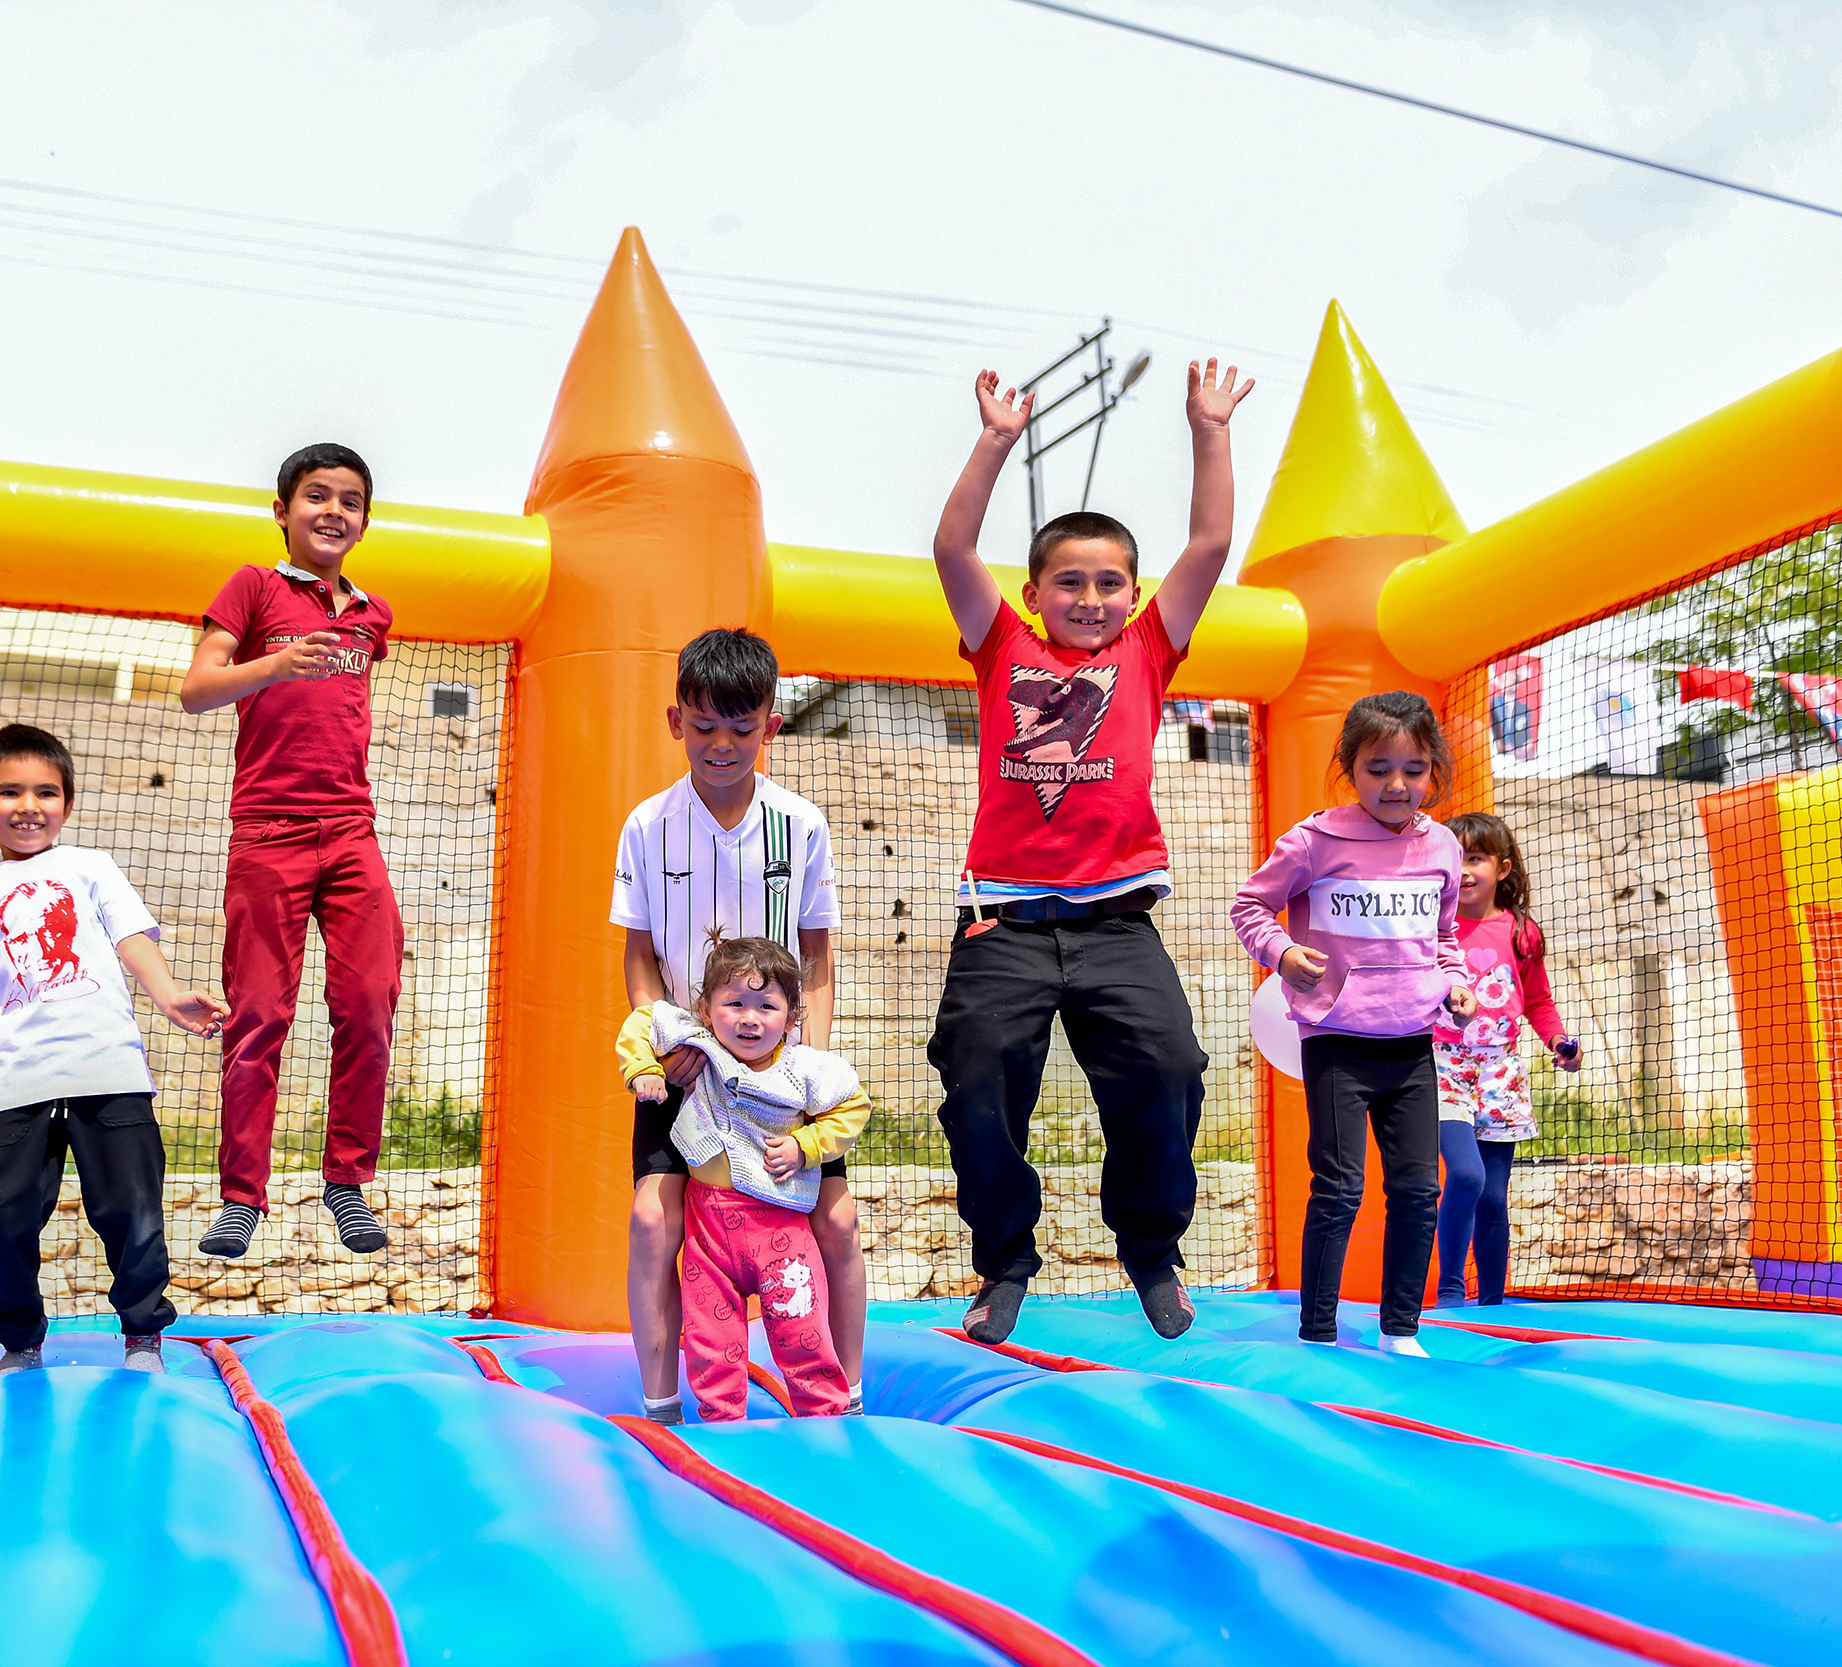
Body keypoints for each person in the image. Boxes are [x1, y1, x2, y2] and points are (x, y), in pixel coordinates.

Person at [927, 358, 1254, 1347]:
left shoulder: (1146, 652)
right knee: (975, 1076)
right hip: (1004, 922)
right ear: (1033, 592)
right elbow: (949, 543)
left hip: (1117, 923)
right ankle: (1004, 1261)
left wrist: (1209, 428)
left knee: (1171, 1067)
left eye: (1109, 581)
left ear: (1131, 594)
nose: (1090, 595)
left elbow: (1209, 542)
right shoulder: (1002, 649)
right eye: (1068, 581)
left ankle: (1150, 1248)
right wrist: (994, 440)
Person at [610, 627, 863, 1422]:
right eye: (704, 724)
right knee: (654, 1215)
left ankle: (847, 1395)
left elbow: (816, 956)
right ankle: (660, 1406)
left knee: (838, 1215)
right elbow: (640, 955)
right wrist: (670, 1040)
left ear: (771, 727)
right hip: (689, 1071)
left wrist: (806, 1067)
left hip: (780, 1071)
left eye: (742, 727)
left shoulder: (802, 824)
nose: (722, 744)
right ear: (674, 720)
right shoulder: (648, 826)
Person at [0, 724, 230, 1376]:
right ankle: (19, 1345)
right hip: (18, 1085)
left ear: (66, 801)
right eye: (9, 791)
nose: (28, 804)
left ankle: (143, 1339)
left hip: (107, 1070)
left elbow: (131, 939)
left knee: (130, 1211)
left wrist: (171, 996)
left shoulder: (89, 867)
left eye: (46, 791)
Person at [179, 443, 401, 1260]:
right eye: (316, 496)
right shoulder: (254, 587)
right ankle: (243, 1194)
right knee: (261, 1014)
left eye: (350, 500)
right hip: (268, 832)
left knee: (371, 1000)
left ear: (366, 520)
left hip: (349, 831)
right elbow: (196, 690)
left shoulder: (372, 615)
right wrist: (275, 661)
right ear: (282, 510)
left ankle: (346, 1180)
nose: (333, 511)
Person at [1230, 692, 1475, 1354]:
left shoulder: (1443, 846)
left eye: (1415, 768)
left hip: (1412, 1047)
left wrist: (1455, 985)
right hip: (1338, 1041)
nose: (1398, 784)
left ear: (1433, 770)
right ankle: (1318, 1330)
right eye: (1378, 768)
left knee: (1419, 1190)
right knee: (1339, 1189)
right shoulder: (1315, 841)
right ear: (1349, 764)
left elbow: (1445, 937)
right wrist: (1282, 951)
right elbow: (1250, 905)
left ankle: (1401, 1329)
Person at [618, 937, 869, 1421]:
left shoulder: (803, 1070)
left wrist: (806, 1145)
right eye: (734, 1004)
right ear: (705, 1011)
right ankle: (721, 1428)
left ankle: (830, 1420)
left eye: (766, 1007)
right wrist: (643, 1070)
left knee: (802, 1333)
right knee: (712, 1343)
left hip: (781, 1234)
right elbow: (642, 1022)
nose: (749, 1018)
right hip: (709, 1233)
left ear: (791, 1019)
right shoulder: (700, 1046)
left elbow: (853, 1105)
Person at [1433, 811, 1582, 1307]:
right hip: (1442, 1063)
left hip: (1501, 1070)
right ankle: (1451, 1289)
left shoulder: (1522, 930)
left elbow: (1537, 999)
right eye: (1456, 860)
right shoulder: (1435, 928)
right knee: (1467, 1175)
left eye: (1475, 858)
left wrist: (1558, 1040)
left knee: (1494, 1197)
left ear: (1503, 867)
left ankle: (1492, 1303)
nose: (1465, 870)